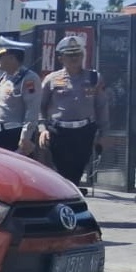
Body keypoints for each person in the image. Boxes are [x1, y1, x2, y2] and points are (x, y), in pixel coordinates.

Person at [37, 34, 107, 192]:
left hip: (84, 131)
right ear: (61, 58)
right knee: (60, 171)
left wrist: (103, 134)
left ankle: (71, 198)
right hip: (58, 132)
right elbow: (40, 106)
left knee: (78, 168)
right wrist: (43, 129)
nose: (74, 58)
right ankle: (67, 198)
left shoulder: (94, 77)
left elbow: (101, 106)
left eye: (78, 54)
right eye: (70, 55)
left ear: (83, 55)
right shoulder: (51, 79)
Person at [0, 42, 41, 153]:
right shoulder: (3, 78)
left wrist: (25, 136)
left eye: (1, 56)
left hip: (12, 135)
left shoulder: (28, 78)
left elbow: (32, 109)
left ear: (12, 58)